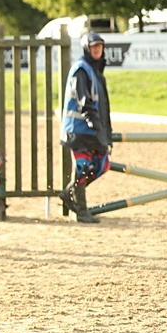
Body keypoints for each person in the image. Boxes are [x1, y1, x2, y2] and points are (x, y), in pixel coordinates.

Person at [58, 32, 112, 223]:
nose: (97, 49)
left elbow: (103, 106)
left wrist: (106, 132)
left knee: (102, 165)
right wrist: (97, 127)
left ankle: (68, 193)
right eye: (93, 46)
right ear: (86, 49)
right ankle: (81, 211)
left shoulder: (94, 70)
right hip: (79, 130)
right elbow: (84, 102)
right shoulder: (81, 70)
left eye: (99, 46)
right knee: (82, 168)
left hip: (91, 129)